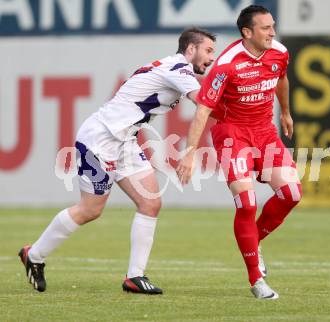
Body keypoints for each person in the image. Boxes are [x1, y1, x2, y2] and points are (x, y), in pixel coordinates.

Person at [19, 27, 216, 294]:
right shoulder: (179, 68)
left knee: (150, 202)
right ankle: (35, 255)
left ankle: (135, 277)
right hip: (100, 139)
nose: (211, 58)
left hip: (125, 140)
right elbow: (203, 101)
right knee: (90, 209)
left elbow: (207, 102)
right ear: (190, 49)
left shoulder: (175, 69)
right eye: (208, 51)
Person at [177, 5, 302, 300]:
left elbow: (281, 79)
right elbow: (204, 109)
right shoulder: (226, 65)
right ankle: (257, 279)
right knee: (246, 202)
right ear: (247, 33)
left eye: (273, 26)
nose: (272, 32)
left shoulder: (279, 52)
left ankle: (253, 243)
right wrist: (190, 152)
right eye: (265, 28)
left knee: (291, 194)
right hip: (233, 132)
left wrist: (285, 111)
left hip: (264, 131)